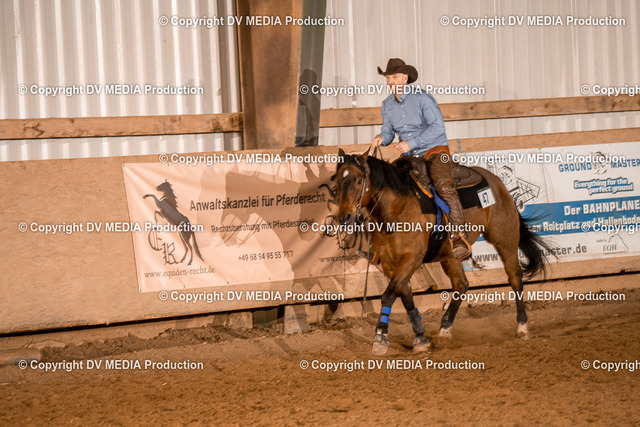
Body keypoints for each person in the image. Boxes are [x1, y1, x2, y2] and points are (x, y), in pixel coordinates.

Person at [371, 58, 470, 259]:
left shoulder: (423, 99)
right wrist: (381, 137)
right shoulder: (387, 105)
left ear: (405, 78)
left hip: (434, 151)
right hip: (409, 156)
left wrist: (411, 143)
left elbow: (438, 128)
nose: (390, 82)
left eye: (394, 77)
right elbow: (388, 132)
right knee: (389, 185)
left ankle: (458, 235)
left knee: (443, 185)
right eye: (388, 78)